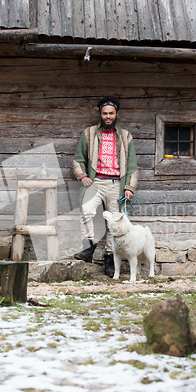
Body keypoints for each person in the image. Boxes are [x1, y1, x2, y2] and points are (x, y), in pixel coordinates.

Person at [72, 97, 138, 276]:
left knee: (114, 222)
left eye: (111, 113)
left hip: (117, 183)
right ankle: (88, 249)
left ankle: (109, 259)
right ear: (100, 114)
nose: (108, 116)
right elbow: (78, 159)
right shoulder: (89, 133)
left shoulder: (125, 136)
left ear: (116, 114)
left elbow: (132, 165)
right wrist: (83, 175)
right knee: (87, 211)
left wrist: (129, 188)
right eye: (104, 113)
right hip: (96, 182)